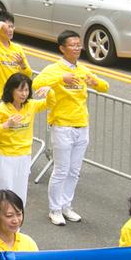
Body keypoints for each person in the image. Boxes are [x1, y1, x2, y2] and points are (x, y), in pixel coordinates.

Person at [33, 31, 109, 226]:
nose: (76, 48)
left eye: (78, 44)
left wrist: (95, 82)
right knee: (61, 170)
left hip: (82, 126)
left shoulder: (82, 70)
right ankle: (54, 209)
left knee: (74, 171)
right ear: (62, 48)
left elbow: (104, 87)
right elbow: (37, 83)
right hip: (62, 126)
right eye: (72, 45)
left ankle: (67, 205)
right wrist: (61, 80)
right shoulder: (55, 69)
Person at [0, 13, 32, 189]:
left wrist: (23, 66)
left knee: (13, 134)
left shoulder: (17, 49)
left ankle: (11, 170)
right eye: (7, 26)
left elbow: (28, 75)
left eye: (12, 26)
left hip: (16, 100)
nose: (11, 29)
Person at [0, 73, 49, 204]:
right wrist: (6, 125)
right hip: (5, 157)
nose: (24, 94)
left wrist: (50, 91)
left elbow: (51, 103)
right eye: (20, 89)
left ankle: (17, 223)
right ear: (11, 90)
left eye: (26, 90)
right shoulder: (0, 109)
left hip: (24, 157)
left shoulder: (31, 105)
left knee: (20, 196)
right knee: (3, 196)